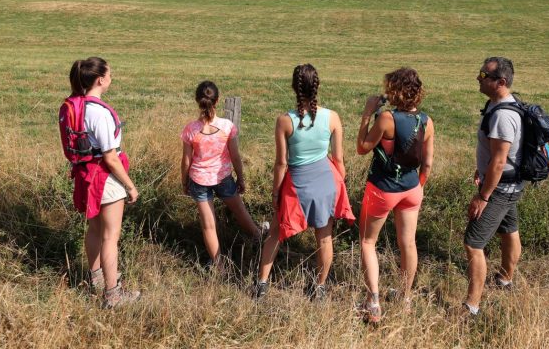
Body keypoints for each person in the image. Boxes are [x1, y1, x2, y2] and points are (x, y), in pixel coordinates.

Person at [254, 64, 355, 301]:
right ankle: (319, 288)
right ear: (317, 85)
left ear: (294, 87)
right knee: (325, 237)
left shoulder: (284, 121)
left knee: (276, 234)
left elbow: (281, 163)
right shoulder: (332, 117)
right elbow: (339, 160)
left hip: (297, 185)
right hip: (326, 183)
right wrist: (340, 188)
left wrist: (276, 193)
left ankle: (261, 284)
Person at [356, 67, 435, 324]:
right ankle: (406, 297)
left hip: (383, 188)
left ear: (394, 91)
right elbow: (428, 162)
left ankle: (374, 303)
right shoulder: (426, 121)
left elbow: (362, 148)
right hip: (412, 190)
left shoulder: (387, 119)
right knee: (408, 243)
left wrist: (368, 113)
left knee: (368, 242)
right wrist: (419, 186)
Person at [68, 57, 141, 309]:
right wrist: (130, 186)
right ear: (100, 80)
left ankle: (96, 279)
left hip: (86, 177)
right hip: (105, 179)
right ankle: (112, 294)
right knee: (111, 237)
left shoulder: (79, 107)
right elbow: (110, 157)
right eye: (110, 74)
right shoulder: (100, 113)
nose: (112, 77)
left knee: (95, 231)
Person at [462, 56, 524, 318]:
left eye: (484, 75)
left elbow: (499, 162)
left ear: (500, 82)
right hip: (510, 184)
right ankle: (505, 280)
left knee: (473, 243)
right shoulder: (500, 105)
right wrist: (483, 167)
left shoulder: (502, 116)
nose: (479, 78)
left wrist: (483, 196)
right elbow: (495, 157)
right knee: (509, 230)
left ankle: (471, 306)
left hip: (499, 188)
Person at [181, 80, 265, 268]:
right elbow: (235, 156)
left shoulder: (190, 129)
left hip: (199, 180)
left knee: (208, 225)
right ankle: (259, 239)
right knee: (240, 211)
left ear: (197, 101)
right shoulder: (227, 127)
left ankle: (218, 265)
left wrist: (184, 181)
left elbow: (186, 161)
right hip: (223, 177)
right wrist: (241, 178)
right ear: (217, 101)